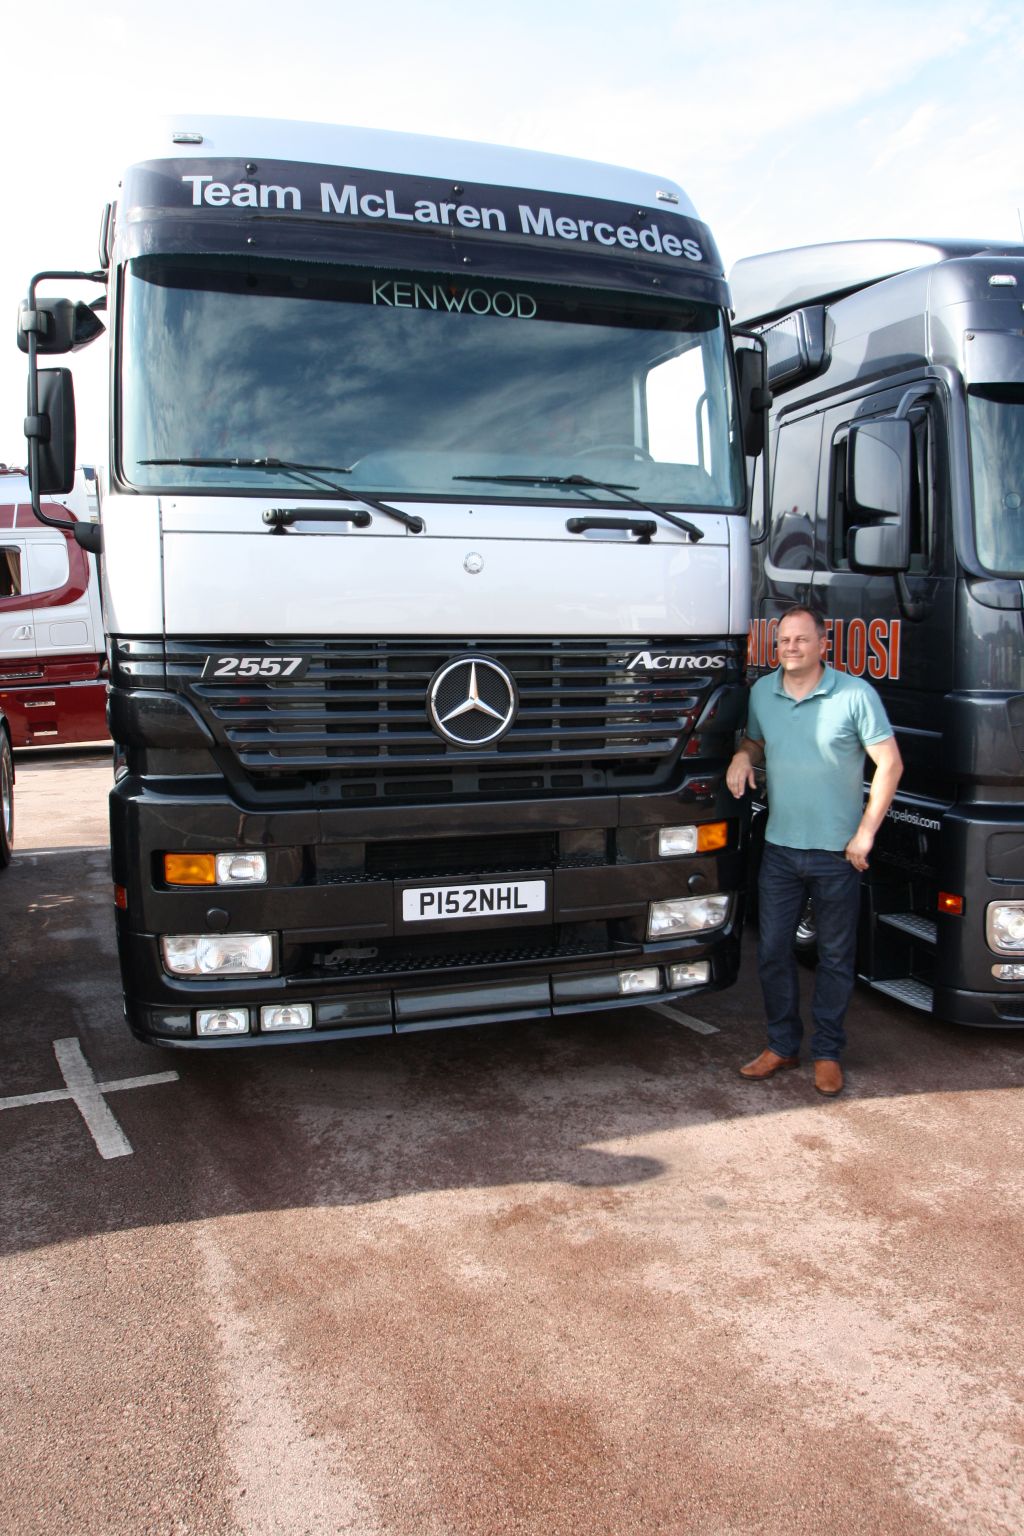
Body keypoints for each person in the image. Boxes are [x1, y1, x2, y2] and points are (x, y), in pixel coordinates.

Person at [726, 607, 903, 1097]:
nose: (791, 647)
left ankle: (827, 1052)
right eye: (784, 640)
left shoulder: (855, 694)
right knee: (772, 952)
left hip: (837, 854)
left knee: (835, 956)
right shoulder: (763, 693)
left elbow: (889, 764)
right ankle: (782, 1045)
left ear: (824, 645)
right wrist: (742, 756)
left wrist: (865, 833)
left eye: (802, 639)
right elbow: (756, 740)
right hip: (781, 849)